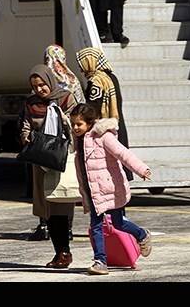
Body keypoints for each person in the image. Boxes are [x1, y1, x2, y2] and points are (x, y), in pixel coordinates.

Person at [69, 103, 153, 275]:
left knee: (118, 223)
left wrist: (141, 169)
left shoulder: (103, 136)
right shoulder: (78, 139)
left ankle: (142, 235)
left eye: (79, 124)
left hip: (110, 188)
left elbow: (123, 153)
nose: (75, 128)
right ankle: (100, 261)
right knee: (96, 225)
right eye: (73, 124)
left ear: (90, 123)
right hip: (92, 190)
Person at [20, 65, 78, 268]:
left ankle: (64, 251)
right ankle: (60, 252)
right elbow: (26, 125)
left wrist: (62, 117)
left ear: (50, 81)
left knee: (60, 202)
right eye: (35, 86)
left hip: (60, 158)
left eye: (42, 85)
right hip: (40, 160)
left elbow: (75, 125)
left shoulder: (65, 98)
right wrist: (25, 136)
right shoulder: (31, 103)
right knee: (48, 208)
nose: (39, 89)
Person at [75, 46, 133, 181]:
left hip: (103, 129)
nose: (81, 69)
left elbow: (93, 108)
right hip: (117, 124)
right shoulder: (112, 77)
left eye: (82, 64)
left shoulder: (97, 82)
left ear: (90, 61)